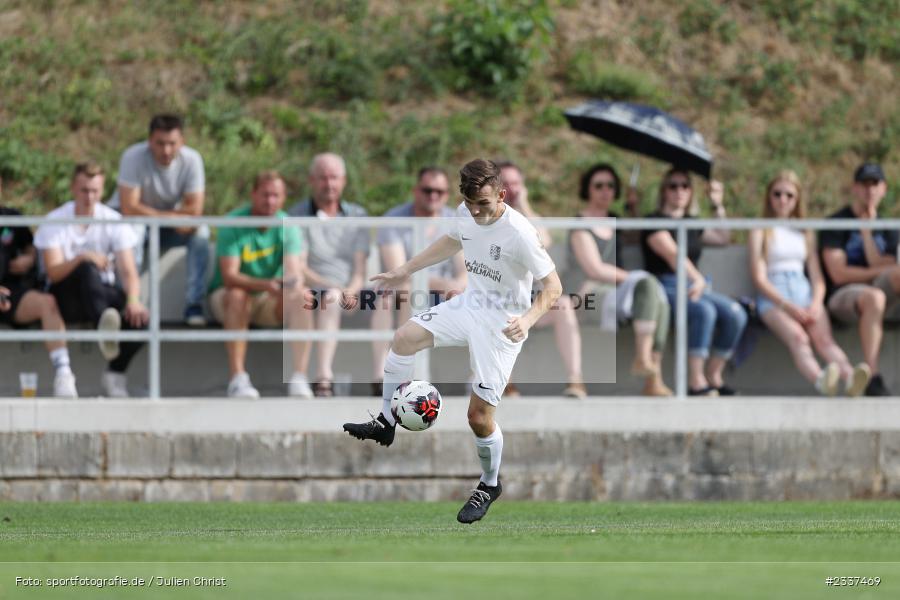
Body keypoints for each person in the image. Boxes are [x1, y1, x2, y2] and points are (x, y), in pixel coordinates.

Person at [344, 159, 562, 524]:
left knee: (478, 418)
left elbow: (553, 288)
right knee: (403, 339)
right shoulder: (466, 212)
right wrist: (403, 270)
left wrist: (526, 319)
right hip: (470, 305)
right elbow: (450, 242)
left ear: (502, 195)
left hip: (502, 324)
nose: (477, 212)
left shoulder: (520, 233)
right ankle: (385, 420)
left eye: (485, 205)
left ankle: (489, 484)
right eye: (472, 204)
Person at [749, 171, 871, 396]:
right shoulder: (760, 229)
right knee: (799, 338)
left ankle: (850, 376)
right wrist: (787, 306)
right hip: (774, 296)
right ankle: (821, 379)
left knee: (824, 339)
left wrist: (816, 302)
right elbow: (759, 277)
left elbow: (816, 276)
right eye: (777, 194)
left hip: (803, 291)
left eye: (789, 195)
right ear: (769, 197)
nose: (783, 200)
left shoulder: (805, 231)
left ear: (797, 199)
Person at [34, 162, 149, 398]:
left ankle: (114, 374)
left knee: (142, 320)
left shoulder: (112, 219)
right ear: (73, 188)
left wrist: (134, 300)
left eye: (95, 191)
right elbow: (54, 272)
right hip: (66, 295)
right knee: (86, 268)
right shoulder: (55, 220)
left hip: (101, 294)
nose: (89, 197)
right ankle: (104, 328)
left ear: (103, 190)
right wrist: (82, 257)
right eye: (84, 190)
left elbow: (128, 271)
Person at [567, 163, 672, 396]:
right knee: (648, 284)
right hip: (587, 294)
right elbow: (594, 269)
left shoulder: (617, 220)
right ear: (588, 189)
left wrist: (632, 209)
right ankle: (646, 365)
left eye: (610, 186)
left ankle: (650, 374)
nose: (605, 190)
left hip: (617, 290)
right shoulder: (579, 225)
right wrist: (632, 278)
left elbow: (637, 236)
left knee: (657, 294)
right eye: (599, 185)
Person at [641, 168, 747, 396]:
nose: (679, 191)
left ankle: (714, 376)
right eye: (673, 186)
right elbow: (672, 254)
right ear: (664, 191)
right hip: (665, 285)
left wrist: (717, 205)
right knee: (704, 311)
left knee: (736, 313)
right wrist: (697, 278)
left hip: (693, 285)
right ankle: (696, 382)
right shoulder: (653, 220)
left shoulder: (693, 223)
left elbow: (723, 238)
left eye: (685, 186)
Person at [208, 171, 313, 398]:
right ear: (253, 194)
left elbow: (293, 270)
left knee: (304, 297)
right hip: (229, 297)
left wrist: (290, 284)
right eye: (265, 195)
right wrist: (267, 285)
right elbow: (229, 276)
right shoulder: (233, 222)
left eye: (276, 195)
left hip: (269, 298)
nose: (270, 201)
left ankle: (299, 378)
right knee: (237, 295)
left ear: (284, 198)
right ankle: (238, 379)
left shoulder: (288, 225)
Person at [371, 167, 466, 395]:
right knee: (404, 294)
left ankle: (482, 380)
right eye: (427, 190)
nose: (433, 196)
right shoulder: (394, 219)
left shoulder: (456, 220)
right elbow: (398, 273)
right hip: (405, 292)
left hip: (445, 294)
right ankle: (387, 376)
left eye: (440, 192)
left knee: (484, 300)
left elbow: (465, 272)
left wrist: (454, 287)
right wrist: (444, 284)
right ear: (416, 191)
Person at [497, 160, 586, 398]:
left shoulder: (526, 216)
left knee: (564, 304)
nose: (512, 189)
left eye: (516, 183)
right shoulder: (486, 217)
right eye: (506, 183)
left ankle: (575, 380)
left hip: (531, 299)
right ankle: (505, 383)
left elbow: (544, 241)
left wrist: (523, 203)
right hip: (498, 297)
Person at [111, 114, 209, 326]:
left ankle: (194, 304)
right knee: (133, 230)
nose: (166, 151)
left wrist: (166, 218)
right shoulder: (133, 157)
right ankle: (127, 299)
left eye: (172, 144)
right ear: (149, 141)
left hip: (160, 224)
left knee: (201, 232)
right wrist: (174, 217)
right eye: (160, 143)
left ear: (182, 141)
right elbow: (129, 207)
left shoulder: (192, 160)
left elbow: (195, 210)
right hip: (133, 225)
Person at [287, 153, 369, 397]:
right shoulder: (296, 215)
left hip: (353, 290)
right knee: (331, 298)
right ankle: (324, 378)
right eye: (323, 178)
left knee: (393, 299)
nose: (329, 184)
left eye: (334, 177)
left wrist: (351, 290)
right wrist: (334, 288)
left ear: (343, 180)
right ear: (312, 180)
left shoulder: (358, 215)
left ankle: (385, 380)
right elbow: (300, 266)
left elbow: (360, 267)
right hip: (315, 289)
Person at [819, 163, 899, 396]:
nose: (870, 190)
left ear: (883, 188)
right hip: (843, 296)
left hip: (878, 291)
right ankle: (872, 376)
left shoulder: (888, 226)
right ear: (854, 188)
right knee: (874, 296)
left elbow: (892, 267)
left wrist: (866, 234)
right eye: (864, 184)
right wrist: (878, 270)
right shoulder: (837, 223)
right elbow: (838, 273)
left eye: (875, 184)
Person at [0, 177, 77, 397]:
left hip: (12, 293)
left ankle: (63, 374)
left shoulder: (11, 218)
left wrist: (28, 258)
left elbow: (32, 249)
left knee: (47, 303)